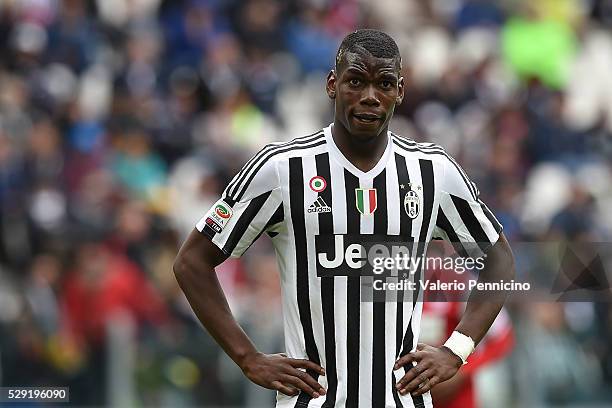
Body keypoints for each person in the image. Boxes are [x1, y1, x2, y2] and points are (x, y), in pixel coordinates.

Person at [174, 29, 516, 408]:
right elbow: (192, 261)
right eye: (356, 81)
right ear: (332, 84)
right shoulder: (282, 169)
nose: (370, 97)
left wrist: (456, 350)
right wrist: (247, 357)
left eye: (384, 84)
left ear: (400, 91)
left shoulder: (433, 172)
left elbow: (498, 258)